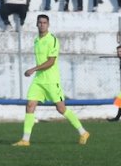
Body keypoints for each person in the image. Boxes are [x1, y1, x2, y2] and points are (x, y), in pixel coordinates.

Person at [13, 14, 90, 147]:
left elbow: (51, 62)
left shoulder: (52, 40)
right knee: (30, 105)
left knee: (61, 108)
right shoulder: (36, 40)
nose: (42, 25)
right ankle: (25, 140)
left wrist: (33, 69)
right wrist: (36, 71)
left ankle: (83, 132)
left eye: (44, 22)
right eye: (40, 22)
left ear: (48, 25)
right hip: (39, 80)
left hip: (51, 80)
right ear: (36, 24)